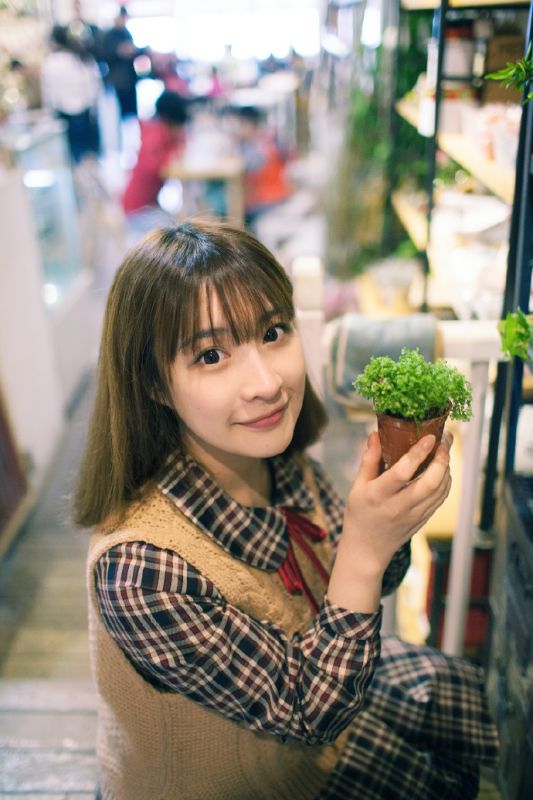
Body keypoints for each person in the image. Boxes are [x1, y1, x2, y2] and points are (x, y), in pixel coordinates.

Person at [74, 221, 498, 800]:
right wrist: (366, 551)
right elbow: (305, 711)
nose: (267, 382)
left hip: (327, 697)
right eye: (211, 354)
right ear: (153, 383)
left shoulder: (278, 461)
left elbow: (360, 587)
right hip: (266, 769)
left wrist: (390, 524)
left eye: (274, 331)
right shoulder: (140, 568)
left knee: (487, 705)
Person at [121, 90, 189, 236]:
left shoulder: (156, 130)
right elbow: (152, 166)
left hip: (145, 206)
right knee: (177, 232)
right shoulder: (156, 134)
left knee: (179, 222)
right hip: (137, 211)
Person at [40, 24, 101, 164]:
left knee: (72, 156)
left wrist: (49, 113)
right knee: (88, 155)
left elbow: (49, 93)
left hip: (65, 114)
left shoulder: (51, 62)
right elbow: (93, 87)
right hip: (84, 112)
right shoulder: (82, 59)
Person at [102, 5, 144, 120]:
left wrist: (134, 51)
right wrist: (119, 51)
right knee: (120, 113)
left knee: (132, 112)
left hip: (130, 78)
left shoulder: (126, 33)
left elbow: (133, 51)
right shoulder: (109, 35)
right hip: (118, 80)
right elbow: (105, 56)